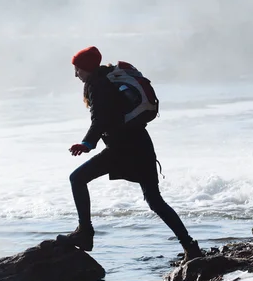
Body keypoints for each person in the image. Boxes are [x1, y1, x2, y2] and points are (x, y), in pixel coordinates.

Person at [58, 46, 204, 262]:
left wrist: (87, 144)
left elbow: (101, 119)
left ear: (87, 68)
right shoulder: (108, 78)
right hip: (140, 144)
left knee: (77, 178)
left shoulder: (98, 85)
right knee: (155, 200)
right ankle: (190, 246)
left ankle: (85, 233)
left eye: (78, 69)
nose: (76, 74)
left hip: (122, 148)